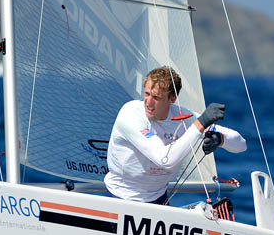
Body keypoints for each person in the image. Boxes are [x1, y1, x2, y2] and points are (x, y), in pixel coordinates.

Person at [104, 66, 246, 204]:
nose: (148, 102)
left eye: (156, 97)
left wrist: (219, 139)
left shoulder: (182, 117)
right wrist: (200, 125)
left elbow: (241, 145)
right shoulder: (130, 113)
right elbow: (165, 160)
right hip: (119, 199)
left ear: (172, 98)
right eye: (146, 94)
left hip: (159, 201)